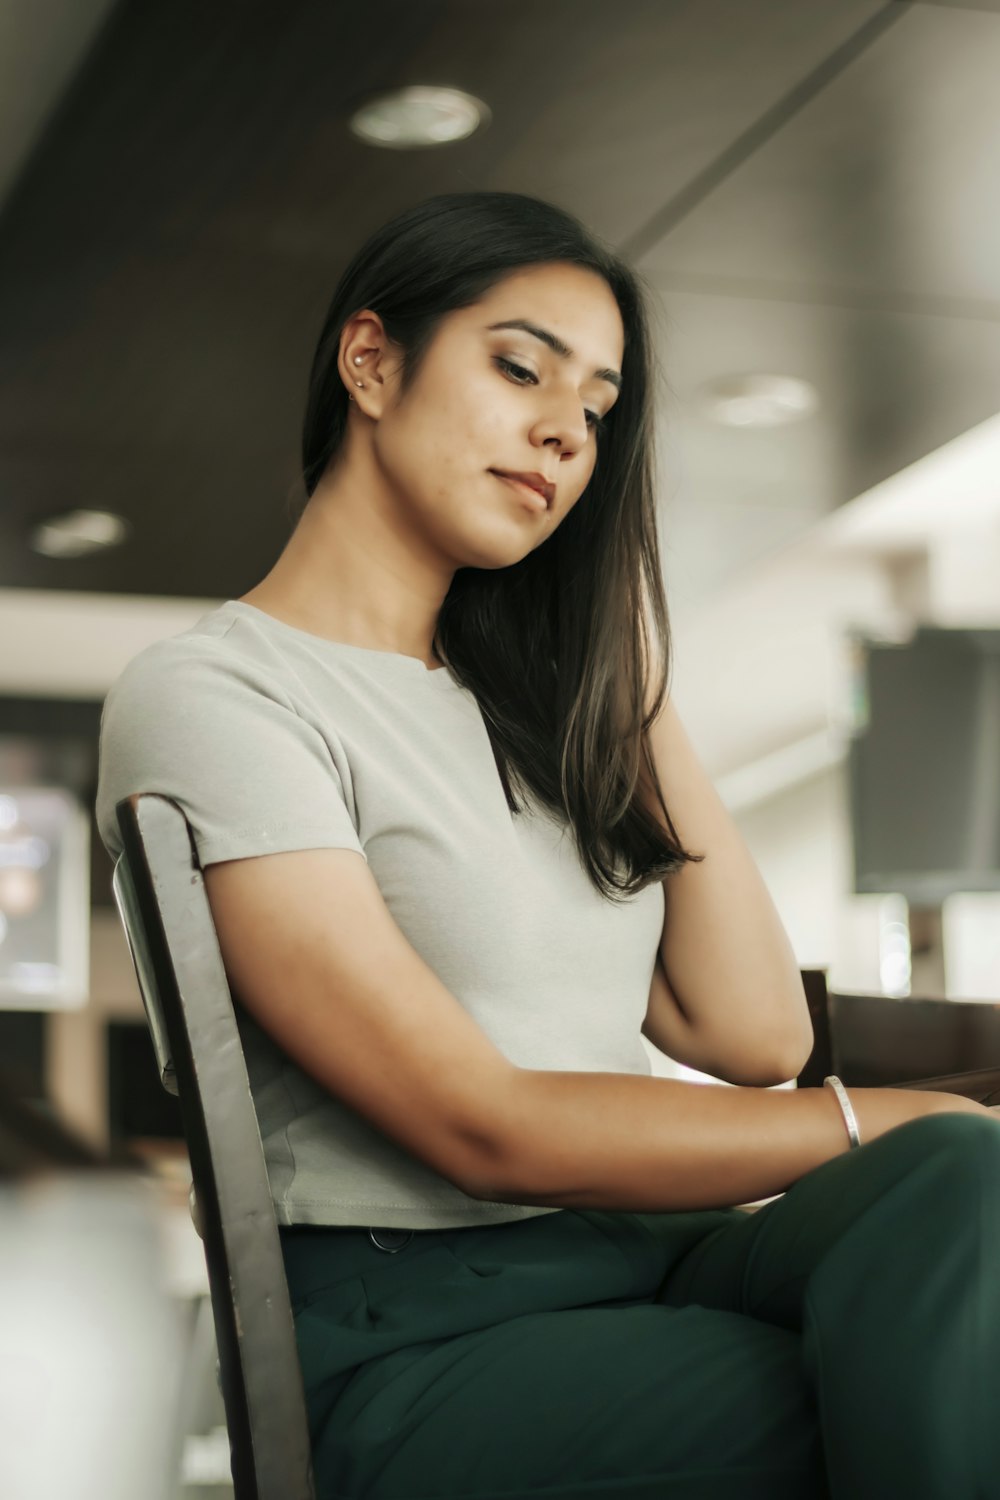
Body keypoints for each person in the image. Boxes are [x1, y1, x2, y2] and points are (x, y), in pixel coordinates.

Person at [95, 191, 1000, 1500]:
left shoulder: (540, 718)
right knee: (919, 1368)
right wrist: (892, 1112)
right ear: (372, 362)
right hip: (422, 1332)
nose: (564, 430)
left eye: (598, 406)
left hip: (652, 1261)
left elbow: (754, 1038)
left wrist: (625, 667)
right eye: (520, 366)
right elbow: (483, 1126)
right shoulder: (221, 695)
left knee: (959, 1188)